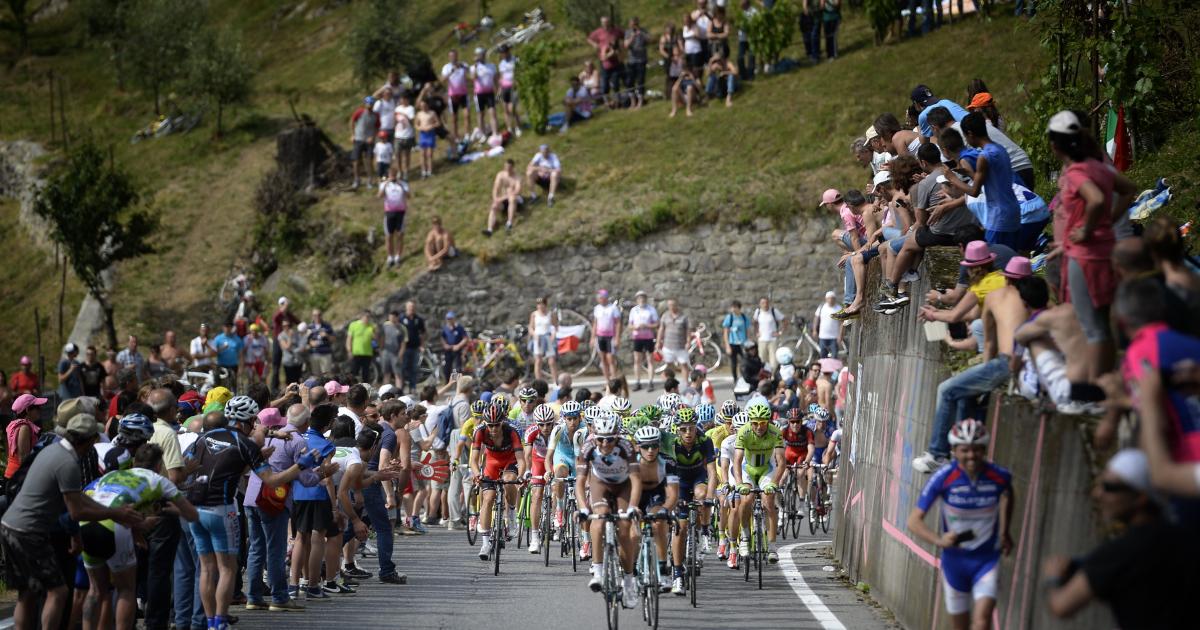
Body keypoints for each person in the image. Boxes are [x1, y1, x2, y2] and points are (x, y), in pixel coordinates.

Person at [0, 411, 144, 630]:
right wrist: (115, 513)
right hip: (30, 531)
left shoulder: (51, 450)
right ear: (89, 440)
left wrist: (94, 521)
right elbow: (77, 511)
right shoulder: (68, 464)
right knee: (57, 591)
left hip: (11, 525)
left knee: (26, 592)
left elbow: (78, 502)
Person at [1043, 448, 1197, 627]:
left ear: (1140, 497)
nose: (1097, 494)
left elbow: (1061, 606)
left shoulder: (1119, 553)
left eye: (1108, 488)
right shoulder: (1185, 536)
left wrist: (1053, 578)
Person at [913, 270, 1048, 473]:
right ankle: (959, 455)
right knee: (965, 394)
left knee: (946, 390)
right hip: (1024, 364)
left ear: (1008, 279)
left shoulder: (994, 295)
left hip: (1006, 363)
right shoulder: (1040, 305)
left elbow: (988, 342)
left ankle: (937, 454)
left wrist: (986, 372)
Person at [1047, 110, 1139, 382]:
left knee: (1091, 325)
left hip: (1085, 255)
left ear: (1055, 145)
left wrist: (1088, 228)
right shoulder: (1099, 164)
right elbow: (1129, 189)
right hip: (1099, 249)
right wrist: (1107, 223)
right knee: (1102, 322)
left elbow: (1096, 198)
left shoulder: (1077, 172)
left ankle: (1094, 386)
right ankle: (1107, 379)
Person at [908, 419, 1014, 630]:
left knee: (982, 621)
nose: (971, 456)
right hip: (954, 563)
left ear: (984, 450)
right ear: (954, 451)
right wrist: (939, 540)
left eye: (976, 450)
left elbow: (1008, 494)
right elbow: (913, 521)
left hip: (986, 561)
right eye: (964, 450)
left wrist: (1005, 532)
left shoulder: (999, 476)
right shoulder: (944, 478)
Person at [80, 444, 199, 630]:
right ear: (159, 465)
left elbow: (112, 501)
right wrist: (170, 510)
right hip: (116, 525)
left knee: (95, 591)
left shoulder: (112, 475)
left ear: (135, 461)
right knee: (125, 589)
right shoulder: (158, 480)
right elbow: (192, 514)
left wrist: (137, 530)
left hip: (88, 523)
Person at [575, 410, 641, 608]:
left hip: (623, 486)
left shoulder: (626, 446)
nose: (605, 444)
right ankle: (598, 570)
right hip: (600, 484)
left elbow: (636, 480)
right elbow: (580, 483)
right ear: (595, 436)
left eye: (610, 440)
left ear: (617, 437)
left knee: (624, 530)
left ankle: (629, 580)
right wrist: (583, 507)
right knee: (600, 518)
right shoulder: (587, 447)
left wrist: (632, 507)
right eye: (601, 439)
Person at [939, 112, 1021, 249]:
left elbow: (974, 191)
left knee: (991, 263)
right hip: (1013, 210)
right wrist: (970, 173)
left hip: (998, 216)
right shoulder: (999, 148)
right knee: (1009, 260)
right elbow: (992, 179)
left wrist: (952, 178)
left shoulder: (984, 157)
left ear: (970, 134)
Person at [470, 404, 527, 560]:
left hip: (510, 461)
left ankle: (511, 512)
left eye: (497, 425)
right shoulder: (480, 431)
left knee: (509, 481)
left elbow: (521, 460)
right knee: (487, 499)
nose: (493, 429)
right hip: (491, 464)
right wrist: (477, 474)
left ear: (503, 421)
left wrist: (520, 476)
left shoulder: (512, 432)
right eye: (490, 425)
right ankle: (485, 543)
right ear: (485, 423)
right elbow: (474, 460)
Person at [730, 402, 784, 563]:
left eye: (762, 423)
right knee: (746, 500)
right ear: (750, 422)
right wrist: (739, 483)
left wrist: (774, 483)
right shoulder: (744, 431)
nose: (759, 427)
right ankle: (745, 537)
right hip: (748, 470)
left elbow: (781, 462)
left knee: (769, 501)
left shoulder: (775, 432)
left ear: (768, 421)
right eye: (755, 423)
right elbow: (737, 461)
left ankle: (772, 547)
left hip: (765, 470)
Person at [670, 411, 716, 594]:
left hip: (698, 477)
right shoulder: (671, 444)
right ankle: (677, 574)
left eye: (691, 428)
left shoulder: (705, 441)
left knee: (702, 496)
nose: (688, 433)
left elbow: (712, 472)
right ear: (677, 430)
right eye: (683, 429)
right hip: (678, 480)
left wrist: (711, 497)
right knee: (679, 528)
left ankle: (703, 530)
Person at [587, 15, 624, 108]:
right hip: (604, 61)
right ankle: (608, 103)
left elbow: (624, 35)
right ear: (601, 23)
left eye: (607, 22)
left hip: (615, 60)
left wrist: (620, 47)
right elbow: (589, 39)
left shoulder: (616, 30)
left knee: (616, 83)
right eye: (604, 22)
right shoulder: (598, 32)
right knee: (605, 84)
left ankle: (618, 101)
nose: (605, 24)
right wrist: (595, 45)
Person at [627, 290, 659, 391]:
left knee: (650, 360)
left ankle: (650, 382)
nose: (642, 299)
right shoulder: (633, 310)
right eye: (639, 298)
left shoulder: (651, 310)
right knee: (637, 360)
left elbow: (657, 324)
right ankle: (637, 382)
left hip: (648, 337)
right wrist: (635, 327)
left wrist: (647, 325)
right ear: (637, 300)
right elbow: (629, 325)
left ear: (646, 299)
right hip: (637, 337)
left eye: (643, 297)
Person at [484, 159, 523, 236]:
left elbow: (517, 191)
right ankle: (490, 229)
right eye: (506, 167)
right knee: (494, 206)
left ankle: (509, 223)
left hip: (516, 200)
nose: (507, 169)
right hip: (504, 200)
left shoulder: (517, 177)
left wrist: (502, 198)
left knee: (512, 198)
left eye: (509, 168)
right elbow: (496, 188)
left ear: (513, 167)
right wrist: (495, 198)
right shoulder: (501, 175)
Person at [348, 96, 379, 189]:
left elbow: (377, 127)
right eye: (368, 104)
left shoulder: (376, 115)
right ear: (365, 104)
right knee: (356, 161)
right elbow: (352, 121)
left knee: (369, 160)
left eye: (371, 104)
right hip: (358, 139)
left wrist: (373, 137)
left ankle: (370, 180)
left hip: (369, 140)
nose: (370, 106)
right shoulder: (360, 112)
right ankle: (356, 180)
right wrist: (352, 134)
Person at [592, 289, 622, 383]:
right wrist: (593, 337)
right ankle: (607, 381)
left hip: (610, 336)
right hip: (600, 336)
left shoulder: (613, 308)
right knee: (603, 359)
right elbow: (595, 323)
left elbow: (618, 323)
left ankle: (614, 380)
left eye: (603, 298)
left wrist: (617, 337)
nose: (601, 299)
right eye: (600, 298)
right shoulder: (597, 308)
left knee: (610, 359)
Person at [441, 49, 470, 141]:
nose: (453, 58)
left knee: (467, 115)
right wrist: (451, 71)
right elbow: (442, 80)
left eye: (454, 56)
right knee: (454, 117)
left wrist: (464, 68)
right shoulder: (446, 67)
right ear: (449, 57)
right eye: (451, 56)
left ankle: (467, 134)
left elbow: (471, 73)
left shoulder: (463, 64)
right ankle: (456, 136)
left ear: (457, 56)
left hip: (464, 94)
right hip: (453, 95)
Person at [528, 297, 559, 383]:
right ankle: (538, 382)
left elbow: (555, 326)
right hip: (538, 337)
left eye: (542, 304)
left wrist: (553, 334)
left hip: (547, 337)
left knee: (552, 361)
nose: (540, 306)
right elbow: (531, 327)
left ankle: (555, 381)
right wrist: (534, 334)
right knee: (538, 360)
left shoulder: (550, 314)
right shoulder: (534, 314)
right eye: (538, 304)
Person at [469, 47, 499, 135]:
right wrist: (475, 65)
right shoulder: (474, 67)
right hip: (479, 93)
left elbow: (496, 81)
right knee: (481, 114)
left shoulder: (492, 66)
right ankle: (482, 133)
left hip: (490, 92)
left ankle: (495, 132)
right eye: (478, 55)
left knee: (492, 112)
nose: (480, 56)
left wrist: (498, 95)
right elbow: (473, 78)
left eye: (482, 54)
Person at [657, 298, 691, 371]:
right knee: (668, 365)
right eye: (669, 305)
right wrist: (658, 342)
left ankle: (685, 382)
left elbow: (688, 330)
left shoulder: (684, 317)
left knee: (684, 364)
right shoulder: (665, 316)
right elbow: (661, 329)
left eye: (673, 305)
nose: (671, 307)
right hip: (668, 346)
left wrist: (688, 342)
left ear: (677, 305)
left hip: (681, 346)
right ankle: (672, 381)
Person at [399, 302, 426, 394]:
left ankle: (413, 387)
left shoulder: (418, 319)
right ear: (406, 308)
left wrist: (422, 345)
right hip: (404, 348)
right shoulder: (401, 318)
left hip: (415, 348)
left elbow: (422, 333)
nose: (411, 309)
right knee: (403, 368)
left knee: (414, 368)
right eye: (410, 307)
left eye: (413, 307)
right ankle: (401, 388)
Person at [721, 300, 751, 381]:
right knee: (733, 363)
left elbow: (748, 331)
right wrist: (727, 346)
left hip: (743, 343)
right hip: (732, 343)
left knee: (745, 361)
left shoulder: (744, 318)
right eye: (732, 307)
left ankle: (745, 377)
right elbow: (725, 332)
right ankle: (735, 378)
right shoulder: (729, 317)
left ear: (739, 308)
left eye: (735, 307)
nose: (733, 309)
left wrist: (748, 342)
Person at [623, 17, 649, 109]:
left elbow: (649, 40)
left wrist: (641, 33)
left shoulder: (643, 31)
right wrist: (633, 36)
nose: (634, 26)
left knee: (640, 81)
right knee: (630, 82)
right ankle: (633, 102)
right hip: (631, 61)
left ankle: (640, 101)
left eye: (635, 24)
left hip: (642, 60)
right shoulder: (627, 33)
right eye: (632, 24)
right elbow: (625, 45)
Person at [753, 297, 786, 368]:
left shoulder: (774, 311)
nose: (765, 305)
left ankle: (773, 376)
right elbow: (755, 322)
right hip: (762, 340)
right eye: (763, 303)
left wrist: (780, 332)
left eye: (766, 303)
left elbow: (784, 321)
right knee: (762, 361)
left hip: (772, 340)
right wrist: (756, 332)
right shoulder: (758, 312)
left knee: (774, 362)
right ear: (760, 304)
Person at [346, 310, 377, 385]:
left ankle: (365, 390)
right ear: (362, 316)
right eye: (366, 316)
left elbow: (376, 338)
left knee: (366, 374)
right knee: (353, 373)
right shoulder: (353, 325)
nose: (368, 318)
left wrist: (376, 331)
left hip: (367, 353)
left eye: (369, 317)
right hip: (356, 353)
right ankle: (352, 388)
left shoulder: (372, 326)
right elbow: (349, 339)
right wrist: (349, 350)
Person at [496, 46, 522, 135]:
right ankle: (509, 128)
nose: (502, 55)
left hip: (513, 87)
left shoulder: (515, 60)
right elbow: (501, 77)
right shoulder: (501, 63)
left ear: (507, 52)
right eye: (501, 53)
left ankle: (517, 127)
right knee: (505, 109)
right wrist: (499, 92)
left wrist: (517, 82)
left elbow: (518, 72)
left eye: (503, 53)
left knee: (512, 108)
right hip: (504, 87)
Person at [393, 91, 416, 181]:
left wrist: (405, 115)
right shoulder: (397, 108)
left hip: (408, 135)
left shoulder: (411, 108)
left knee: (407, 155)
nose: (403, 100)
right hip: (398, 135)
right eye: (402, 99)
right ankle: (400, 171)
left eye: (405, 99)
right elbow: (394, 120)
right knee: (398, 154)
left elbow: (412, 121)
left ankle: (406, 171)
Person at [440, 311, 470, 382]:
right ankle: (447, 383)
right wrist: (445, 345)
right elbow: (442, 338)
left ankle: (458, 383)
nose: (449, 320)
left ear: (454, 319)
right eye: (448, 319)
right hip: (448, 350)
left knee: (458, 368)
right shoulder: (445, 329)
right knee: (447, 367)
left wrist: (459, 345)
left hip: (457, 350)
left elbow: (465, 338)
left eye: (450, 318)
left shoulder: (459, 328)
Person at [414, 98, 440, 179]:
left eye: (425, 105)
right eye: (422, 106)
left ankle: (430, 171)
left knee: (429, 154)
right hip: (423, 134)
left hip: (430, 134)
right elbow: (416, 125)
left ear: (427, 105)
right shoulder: (419, 114)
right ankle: (423, 171)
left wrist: (432, 126)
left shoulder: (432, 113)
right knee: (422, 154)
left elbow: (438, 123)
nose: (423, 107)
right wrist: (420, 128)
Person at [306, 309, 335, 376]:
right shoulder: (309, 327)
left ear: (321, 316)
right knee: (316, 376)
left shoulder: (327, 326)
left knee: (327, 376)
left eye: (319, 315)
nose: (317, 317)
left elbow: (333, 339)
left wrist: (327, 335)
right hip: (314, 354)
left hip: (326, 354)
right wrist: (310, 343)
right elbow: (305, 340)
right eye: (315, 315)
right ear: (312, 316)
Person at [813, 291, 842, 358]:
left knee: (834, 356)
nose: (830, 300)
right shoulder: (821, 307)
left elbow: (841, 323)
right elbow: (816, 319)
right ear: (826, 299)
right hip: (823, 337)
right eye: (829, 298)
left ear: (835, 299)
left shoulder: (839, 308)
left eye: (832, 298)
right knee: (823, 356)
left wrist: (840, 335)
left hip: (834, 337)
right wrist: (814, 330)